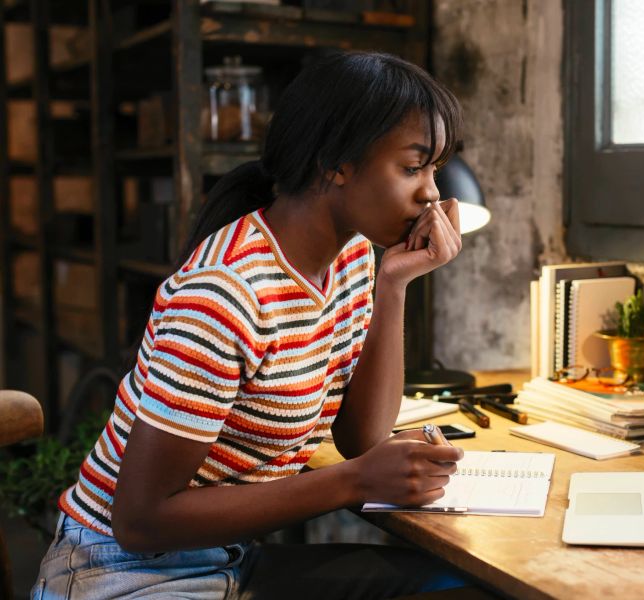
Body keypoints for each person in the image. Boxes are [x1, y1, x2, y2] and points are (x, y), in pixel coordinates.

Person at [32, 51, 470, 599]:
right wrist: (353, 482)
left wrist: (395, 286)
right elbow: (140, 521)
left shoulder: (354, 258)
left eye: (433, 169)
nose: (431, 192)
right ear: (335, 162)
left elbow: (361, 438)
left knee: (451, 588)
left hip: (229, 558)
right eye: (412, 167)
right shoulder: (225, 295)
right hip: (123, 570)